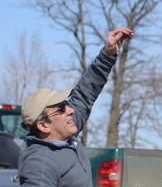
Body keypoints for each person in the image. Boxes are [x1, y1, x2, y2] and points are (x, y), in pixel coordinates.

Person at [18, 27, 134, 187]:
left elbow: (85, 93)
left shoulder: (64, 133)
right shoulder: (40, 162)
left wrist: (107, 55)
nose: (70, 110)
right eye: (61, 109)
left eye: (65, 105)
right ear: (43, 126)